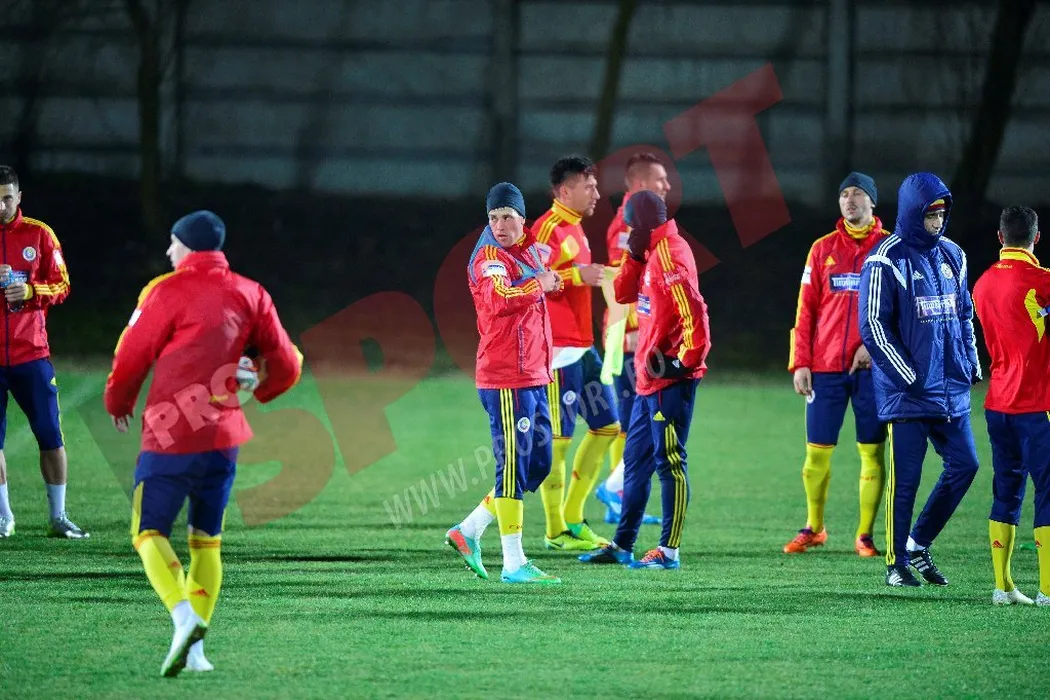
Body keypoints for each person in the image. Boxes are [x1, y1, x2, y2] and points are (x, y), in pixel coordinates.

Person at [104, 210, 303, 676]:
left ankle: (182, 616)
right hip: (224, 438)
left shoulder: (166, 290)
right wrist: (264, 390)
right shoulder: (251, 292)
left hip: (171, 434)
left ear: (187, 246)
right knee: (206, 542)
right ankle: (194, 653)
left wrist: (118, 401)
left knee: (148, 533)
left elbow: (132, 354)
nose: (168, 251)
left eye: (173, 243)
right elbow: (288, 362)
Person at [858, 173, 981, 588]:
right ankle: (895, 564)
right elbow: (874, 325)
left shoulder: (954, 255)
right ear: (914, 212)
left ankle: (917, 543)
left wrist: (970, 362)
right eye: (931, 214)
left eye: (942, 214)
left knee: (966, 466)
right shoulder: (885, 259)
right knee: (906, 481)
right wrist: (909, 376)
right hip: (908, 394)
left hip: (950, 390)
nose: (938, 222)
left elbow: (964, 314)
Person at [581, 190, 710, 569]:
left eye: (629, 224)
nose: (625, 231)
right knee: (635, 462)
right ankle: (622, 545)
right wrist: (633, 256)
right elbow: (623, 295)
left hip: (670, 380)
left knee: (670, 462)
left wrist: (682, 363)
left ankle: (668, 551)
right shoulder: (649, 252)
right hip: (646, 380)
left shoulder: (671, 255)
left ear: (641, 222)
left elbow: (696, 314)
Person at [445, 182, 563, 584]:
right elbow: (499, 300)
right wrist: (538, 285)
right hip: (505, 377)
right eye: (493, 217)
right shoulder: (490, 258)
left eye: (507, 216)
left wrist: (549, 281)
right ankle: (513, 562)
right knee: (512, 467)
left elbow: (532, 296)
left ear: (522, 219)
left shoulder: (525, 250)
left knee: (538, 464)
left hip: (533, 374)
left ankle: (469, 529)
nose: (499, 225)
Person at [784, 172, 888, 557]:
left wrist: (873, 347)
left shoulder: (890, 248)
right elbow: (805, 309)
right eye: (844, 194)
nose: (850, 200)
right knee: (816, 453)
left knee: (871, 452)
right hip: (825, 368)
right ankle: (814, 528)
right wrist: (800, 362)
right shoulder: (822, 249)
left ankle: (865, 535)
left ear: (872, 201)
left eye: (858, 193)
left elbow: (899, 311)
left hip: (873, 370)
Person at [532, 155, 620, 551]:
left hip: (583, 350)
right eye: (590, 186)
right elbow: (532, 281)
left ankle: (573, 516)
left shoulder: (575, 227)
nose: (597, 193)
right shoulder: (547, 228)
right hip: (557, 352)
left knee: (608, 427)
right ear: (566, 191)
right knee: (558, 444)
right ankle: (555, 531)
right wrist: (575, 275)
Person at [0, 165, 85, 539]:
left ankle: (58, 516)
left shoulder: (40, 234)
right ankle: (4, 517)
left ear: (19, 197)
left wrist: (32, 291)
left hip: (31, 354)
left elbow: (62, 285)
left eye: (6, 198)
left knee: (50, 435)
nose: (1, 206)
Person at [972, 205, 1050, 606]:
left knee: (1006, 491)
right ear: (1036, 237)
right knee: (1048, 492)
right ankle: (1047, 590)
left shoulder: (982, 283)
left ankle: (1002, 587)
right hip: (1038, 405)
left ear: (1001, 237)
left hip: (998, 403)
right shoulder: (1043, 281)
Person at [595, 152, 667, 527]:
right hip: (631, 336)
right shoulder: (628, 225)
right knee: (638, 421)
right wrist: (638, 328)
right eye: (659, 180)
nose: (666, 186)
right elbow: (622, 281)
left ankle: (618, 496)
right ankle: (617, 491)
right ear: (640, 185)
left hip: (634, 333)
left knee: (632, 422)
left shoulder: (640, 221)